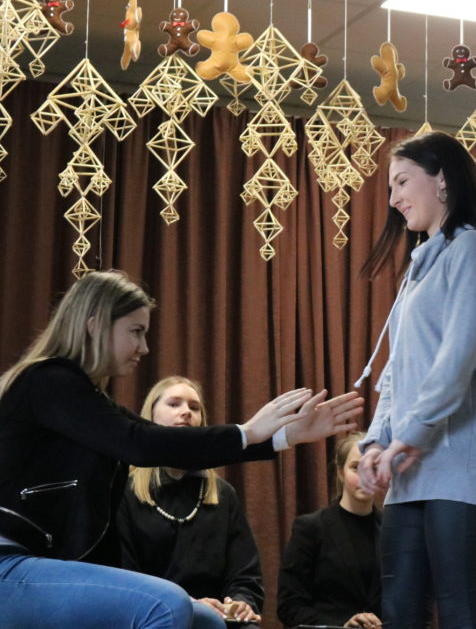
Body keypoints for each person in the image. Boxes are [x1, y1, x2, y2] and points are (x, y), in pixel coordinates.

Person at [0, 269, 363, 629]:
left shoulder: (82, 395)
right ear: (94, 325)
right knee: (169, 605)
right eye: (135, 331)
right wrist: (247, 432)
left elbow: (155, 438)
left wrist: (282, 436)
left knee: (207, 621)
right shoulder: (47, 381)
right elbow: (141, 443)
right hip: (11, 564)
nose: (144, 347)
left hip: (42, 567)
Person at [355, 131, 476, 629]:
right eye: (390, 188)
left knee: (462, 616)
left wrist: (409, 435)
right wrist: (376, 442)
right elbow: (397, 370)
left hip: (464, 466)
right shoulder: (417, 270)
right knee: (399, 613)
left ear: (442, 179)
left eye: (402, 182)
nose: (393, 199)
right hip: (411, 470)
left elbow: (457, 357)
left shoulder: (472, 248)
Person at [118, 376, 264, 628]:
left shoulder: (224, 494)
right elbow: (125, 579)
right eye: (174, 404)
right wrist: (191, 603)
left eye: (194, 408)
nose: (186, 412)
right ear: (149, 417)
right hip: (151, 615)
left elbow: (245, 574)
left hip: (218, 617)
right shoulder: (124, 490)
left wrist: (240, 602)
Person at [277, 432, 381, 629]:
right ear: (340, 473)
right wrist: (341, 626)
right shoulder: (310, 528)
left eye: (373, 467)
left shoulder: (394, 531)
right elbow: (289, 606)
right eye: (356, 467)